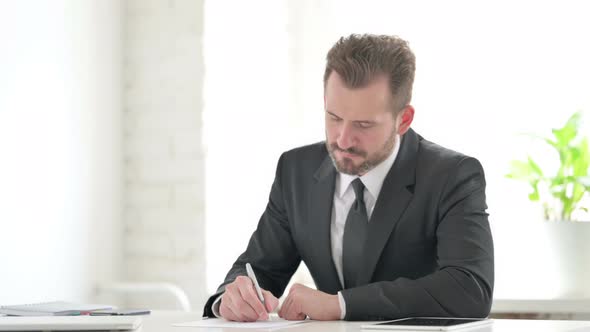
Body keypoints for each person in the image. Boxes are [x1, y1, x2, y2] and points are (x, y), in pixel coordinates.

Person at [203, 34, 494, 321]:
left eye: (363, 124)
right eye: (334, 117)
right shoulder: (296, 170)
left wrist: (341, 305)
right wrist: (230, 299)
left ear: (403, 120)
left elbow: (469, 288)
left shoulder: (451, 175)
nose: (342, 139)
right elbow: (260, 269)